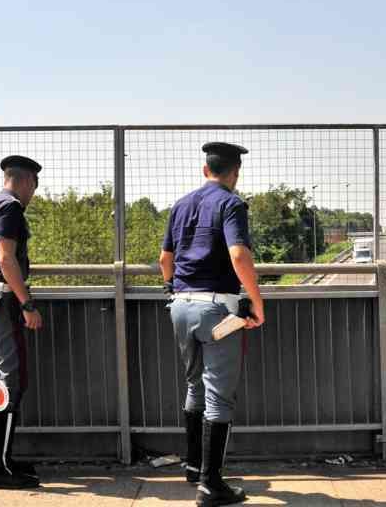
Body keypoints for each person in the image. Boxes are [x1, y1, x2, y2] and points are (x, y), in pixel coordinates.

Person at [159, 142, 265, 506]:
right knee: (220, 394)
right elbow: (239, 254)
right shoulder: (231, 203)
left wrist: (174, 290)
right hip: (217, 309)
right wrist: (257, 300)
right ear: (235, 173)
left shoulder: (181, 205)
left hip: (180, 305)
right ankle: (211, 484)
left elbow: (164, 259)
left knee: (194, 385)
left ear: (206, 170)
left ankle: (193, 466)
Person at [0, 155, 44, 489]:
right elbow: (5, 258)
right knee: (11, 380)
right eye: (35, 186)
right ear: (28, 180)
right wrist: (26, 303)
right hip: (3, 301)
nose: (33, 194)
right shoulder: (11, 207)